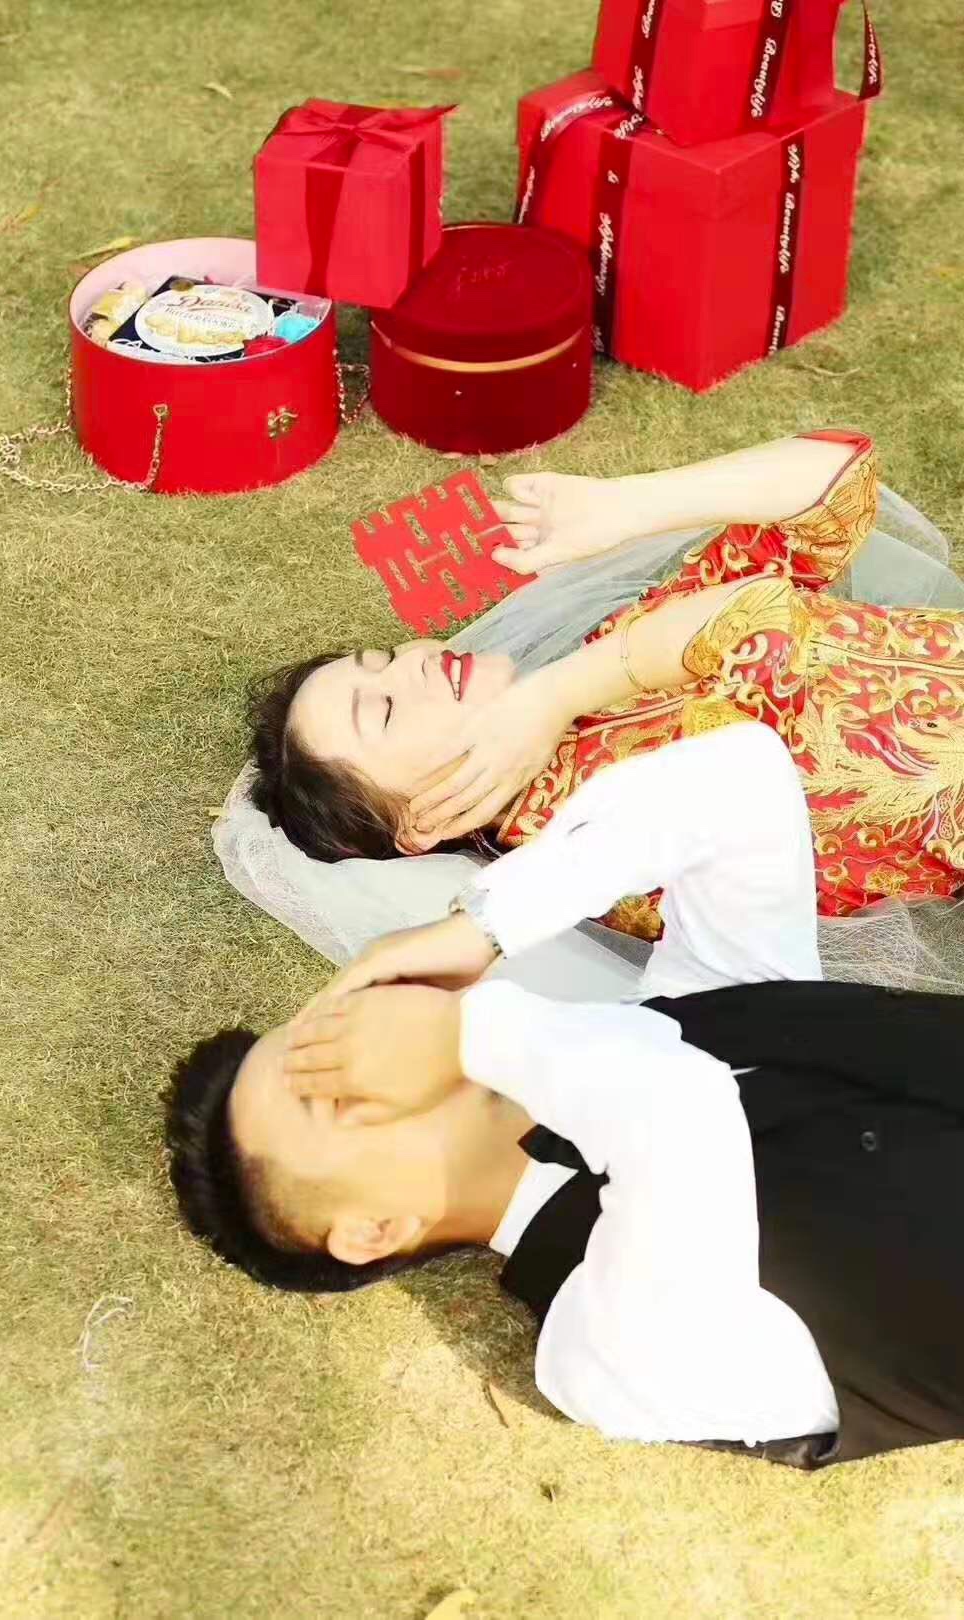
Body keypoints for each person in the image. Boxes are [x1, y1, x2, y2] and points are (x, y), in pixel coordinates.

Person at [168, 725, 964, 1468]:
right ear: (376, 1228)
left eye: (336, 1035)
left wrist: (485, 928)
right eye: (331, 1090)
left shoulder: (672, 1017)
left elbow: (742, 776)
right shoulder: (598, 1355)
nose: (368, 1045)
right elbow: (676, 1115)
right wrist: (465, 1033)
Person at [245, 430, 964, 941]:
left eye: (386, 657)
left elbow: (836, 481)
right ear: (420, 825)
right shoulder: (596, 849)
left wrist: (631, 504)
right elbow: (762, 626)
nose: (415, 665)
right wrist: (557, 695)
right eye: (385, 709)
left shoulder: (599, 661)